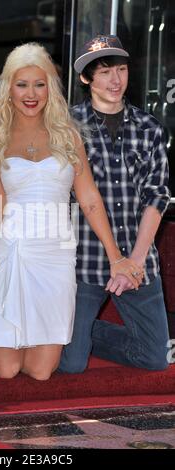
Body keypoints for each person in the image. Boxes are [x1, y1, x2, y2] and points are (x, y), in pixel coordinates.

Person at [0, 42, 142, 381]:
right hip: (11, 251)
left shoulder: (68, 136)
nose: (31, 93)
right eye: (22, 84)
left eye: (39, 83)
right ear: (9, 89)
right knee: (5, 370)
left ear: (50, 87)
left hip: (55, 254)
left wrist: (116, 256)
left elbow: (90, 199)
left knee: (40, 371)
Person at [59, 35, 171, 374]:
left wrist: (134, 262)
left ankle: (82, 333)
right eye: (106, 71)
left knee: (154, 358)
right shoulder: (66, 127)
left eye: (121, 70)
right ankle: (74, 336)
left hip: (139, 260)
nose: (116, 80)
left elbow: (157, 195)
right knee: (72, 365)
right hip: (85, 259)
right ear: (86, 78)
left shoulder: (149, 127)